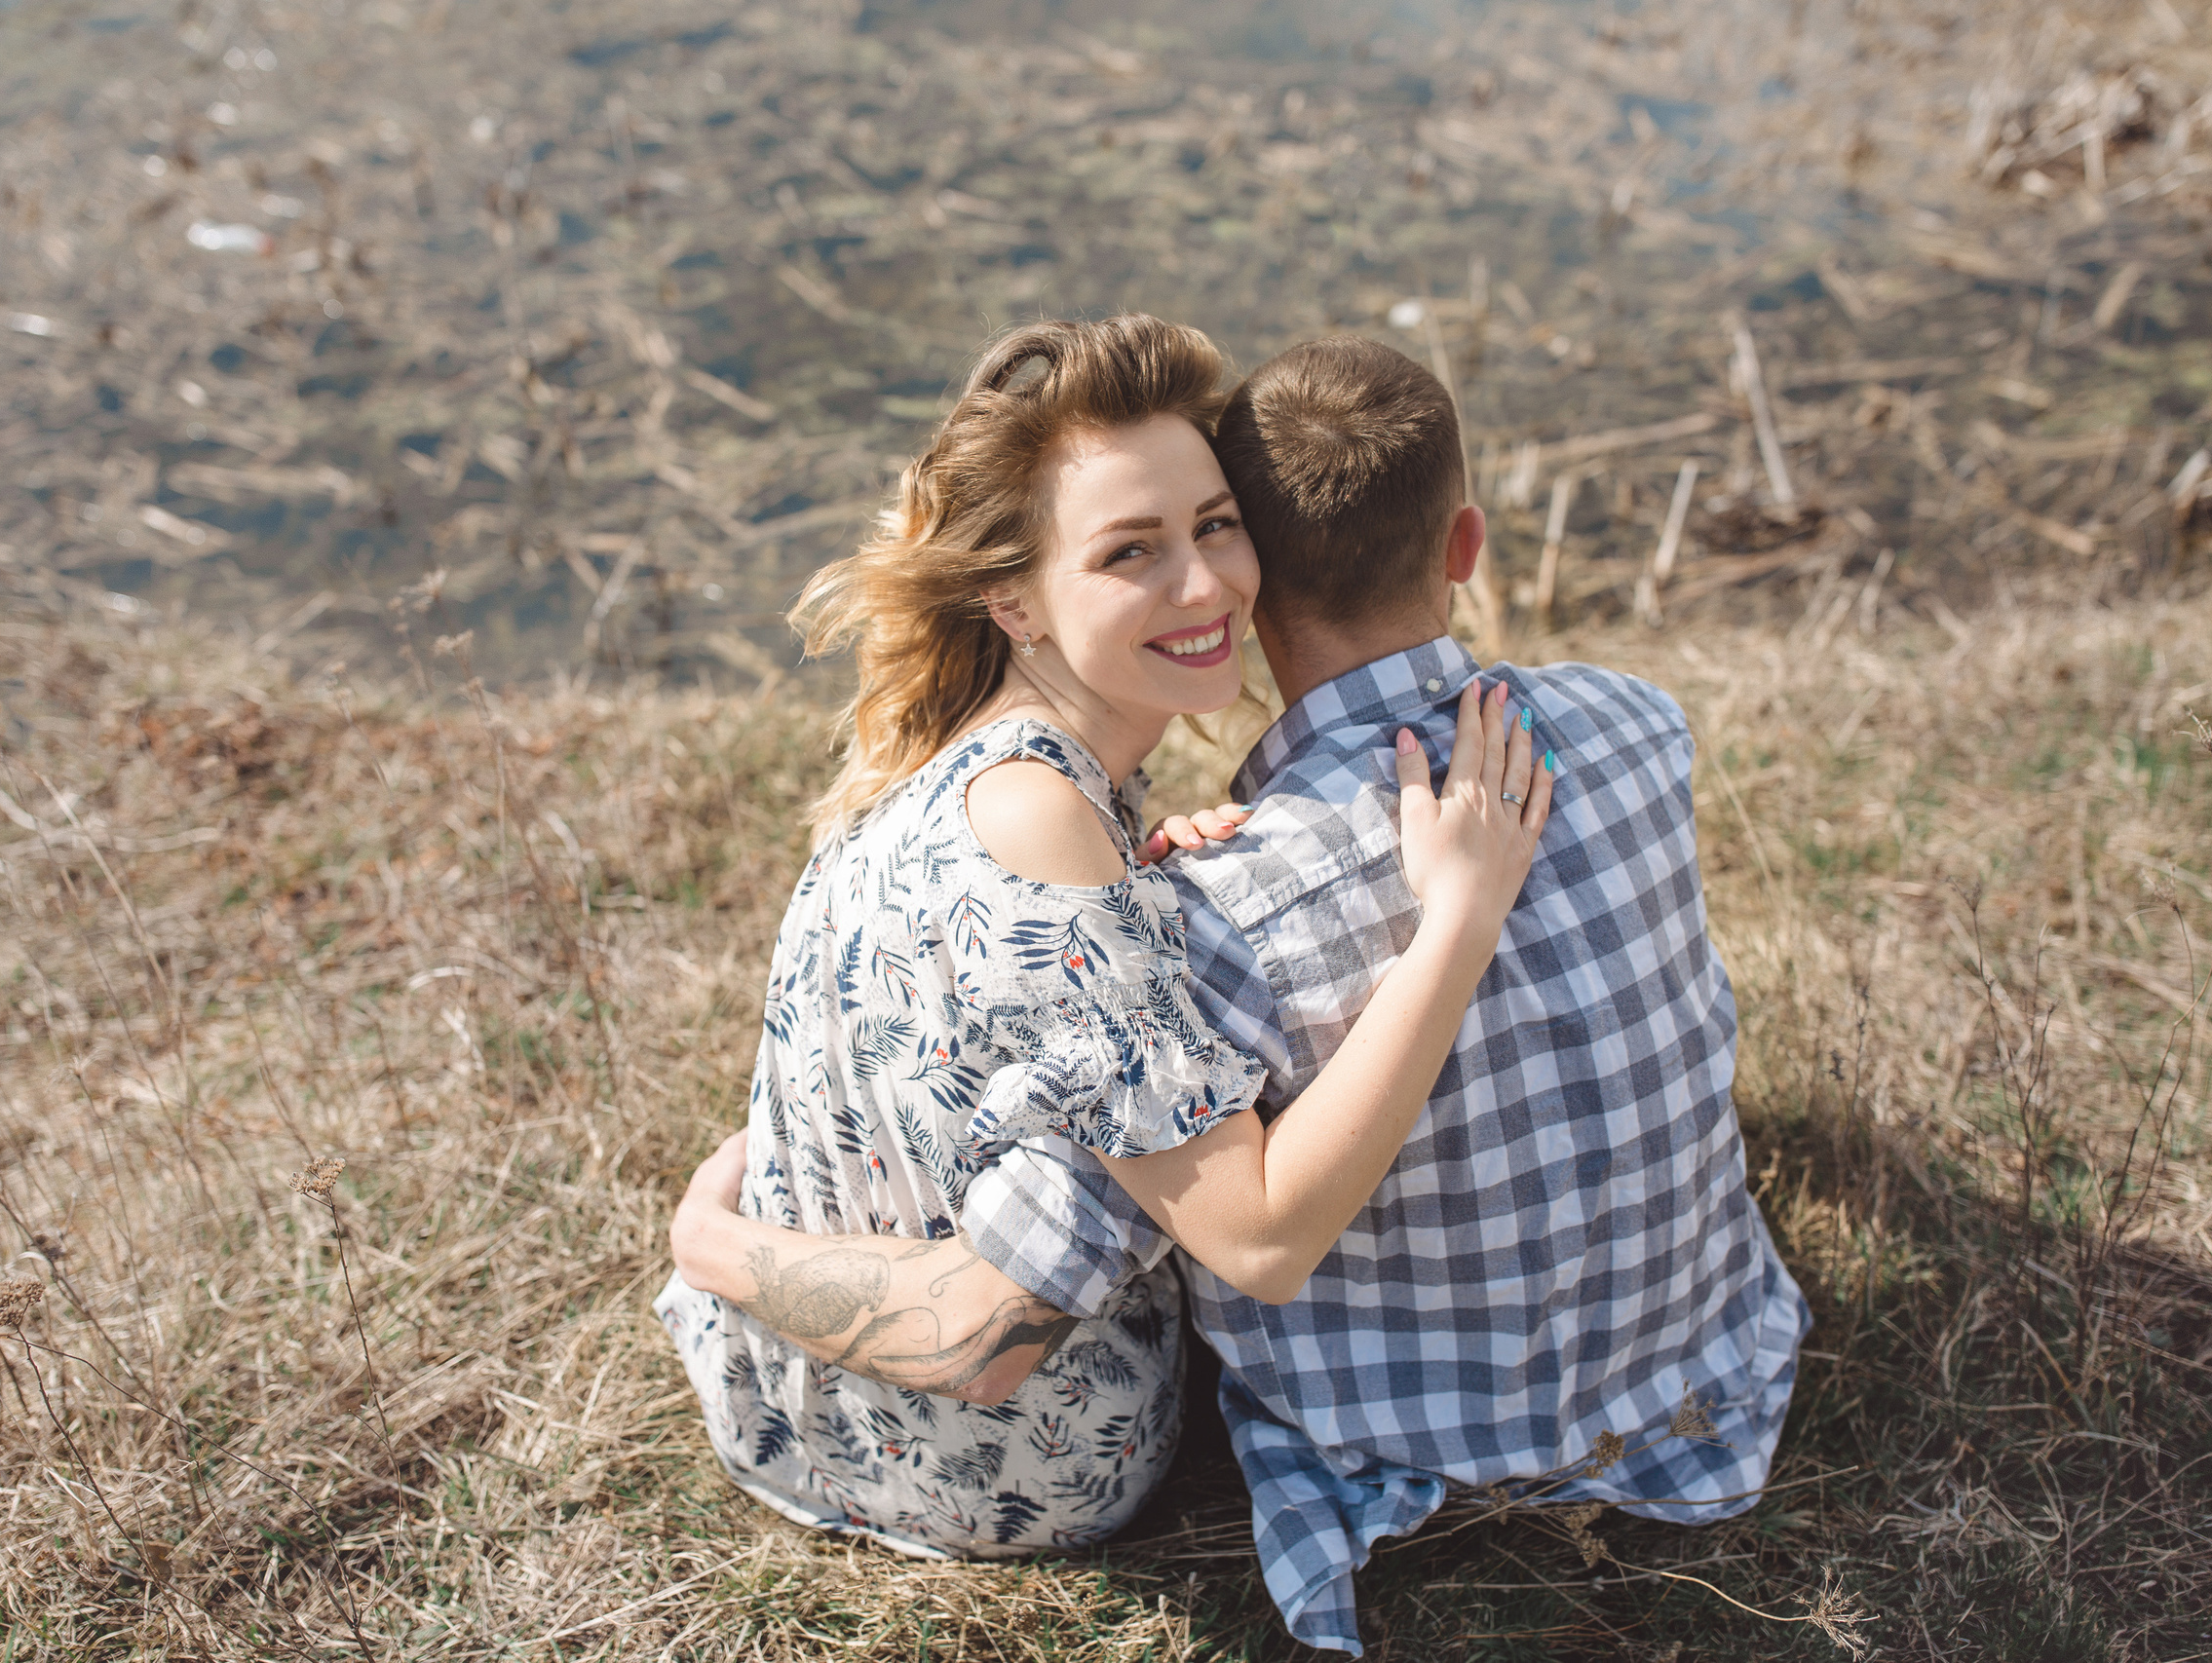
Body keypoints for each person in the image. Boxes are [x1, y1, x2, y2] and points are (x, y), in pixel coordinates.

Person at [676, 331, 1808, 1653]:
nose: (1205, 578)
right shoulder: (1050, 838)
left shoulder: (1038, 771)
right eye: (1130, 551)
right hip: (995, 1449)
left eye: (1216, 525)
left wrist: (1173, 891)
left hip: (938, 1343)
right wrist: (711, 1248)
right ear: (1017, 599)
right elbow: (1008, 1327)